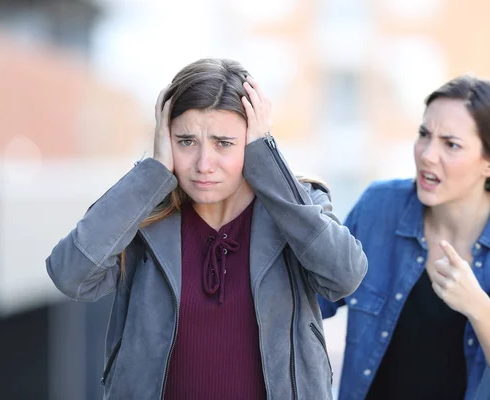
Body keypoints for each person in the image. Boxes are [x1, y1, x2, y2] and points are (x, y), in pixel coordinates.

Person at [46, 58, 367, 399]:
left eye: (223, 143)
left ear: (252, 140)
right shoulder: (143, 213)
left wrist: (269, 165)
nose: (203, 164)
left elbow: (344, 275)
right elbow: (70, 274)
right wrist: (153, 171)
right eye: (186, 141)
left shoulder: (297, 204)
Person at [319, 75, 490, 400]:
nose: (427, 154)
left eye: (450, 144)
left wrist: (477, 304)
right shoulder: (379, 207)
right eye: (424, 135)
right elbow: (312, 298)